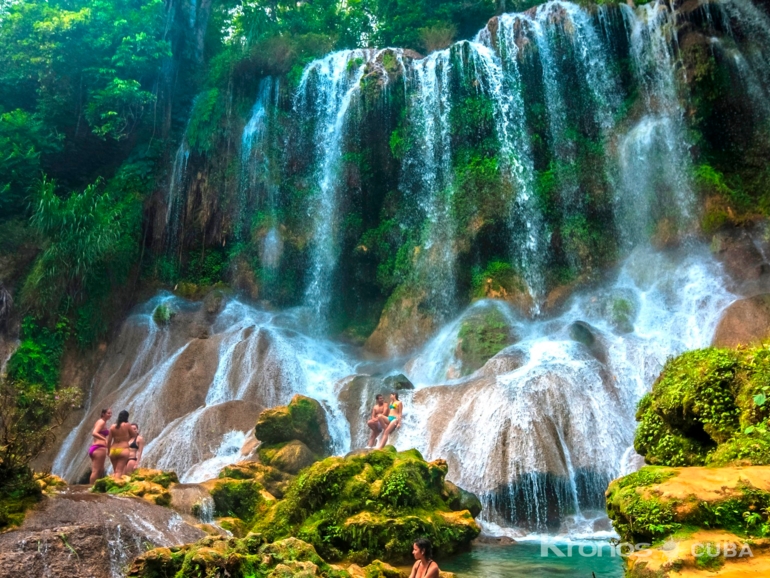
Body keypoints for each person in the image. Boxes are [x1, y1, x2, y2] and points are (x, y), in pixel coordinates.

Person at [88, 408, 112, 484]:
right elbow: (94, 433)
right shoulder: (101, 422)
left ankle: (95, 487)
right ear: (103, 414)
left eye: (111, 413)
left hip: (96, 448)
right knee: (96, 471)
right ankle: (91, 488)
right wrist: (105, 440)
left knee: (100, 470)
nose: (110, 415)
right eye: (108, 413)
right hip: (98, 448)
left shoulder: (102, 422)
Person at [107, 410, 133, 479]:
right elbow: (134, 435)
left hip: (113, 450)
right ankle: (115, 487)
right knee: (119, 471)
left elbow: (109, 441)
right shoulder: (127, 425)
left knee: (115, 471)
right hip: (123, 449)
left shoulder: (112, 426)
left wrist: (108, 451)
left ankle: (113, 484)